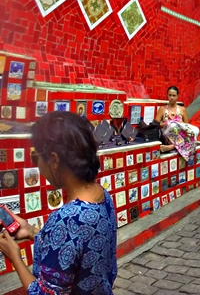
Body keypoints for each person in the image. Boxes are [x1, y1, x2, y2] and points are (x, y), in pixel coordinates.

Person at [0, 112, 117, 294]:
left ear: (53, 159)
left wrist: (14, 256)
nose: (37, 165)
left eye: (35, 157)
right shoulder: (102, 195)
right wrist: (31, 231)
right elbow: (75, 250)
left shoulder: (66, 219)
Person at [155, 85, 199, 159]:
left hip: (180, 137)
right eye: (170, 95)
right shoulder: (162, 109)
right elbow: (155, 125)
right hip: (168, 137)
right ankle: (175, 146)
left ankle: (172, 147)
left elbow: (187, 127)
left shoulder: (182, 109)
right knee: (171, 125)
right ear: (167, 95)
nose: (172, 98)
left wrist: (181, 123)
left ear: (177, 96)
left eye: (174, 95)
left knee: (196, 130)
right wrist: (164, 124)